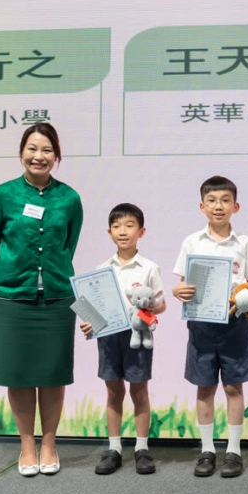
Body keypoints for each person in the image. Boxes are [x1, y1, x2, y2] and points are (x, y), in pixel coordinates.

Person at [0, 122, 83, 476]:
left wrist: (50, 274)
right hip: (12, 299)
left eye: (47, 150)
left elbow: (68, 245)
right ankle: (26, 446)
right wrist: (9, 275)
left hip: (57, 298)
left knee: (53, 375)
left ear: (57, 156)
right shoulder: (0, 196)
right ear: (21, 152)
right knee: (19, 374)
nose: (39, 156)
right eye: (33, 149)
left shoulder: (69, 198)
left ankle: (49, 444)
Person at [172, 176, 248, 479]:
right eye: (211, 201)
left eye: (225, 200)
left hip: (235, 325)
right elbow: (181, 284)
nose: (218, 206)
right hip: (201, 325)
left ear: (235, 206)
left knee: (233, 387)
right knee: (205, 388)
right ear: (202, 206)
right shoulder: (192, 242)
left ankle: (234, 451)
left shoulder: (246, 243)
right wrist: (178, 291)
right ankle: (207, 450)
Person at [81, 203, 166, 476]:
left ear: (141, 231)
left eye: (130, 225)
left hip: (138, 337)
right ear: (109, 233)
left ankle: (142, 448)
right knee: (113, 391)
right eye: (116, 226)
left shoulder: (149, 268)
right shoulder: (102, 269)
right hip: (108, 338)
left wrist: (149, 308)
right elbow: (93, 306)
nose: (123, 231)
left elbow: (161, 304)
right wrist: (89, 322)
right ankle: (114, 448)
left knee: (139, 391)